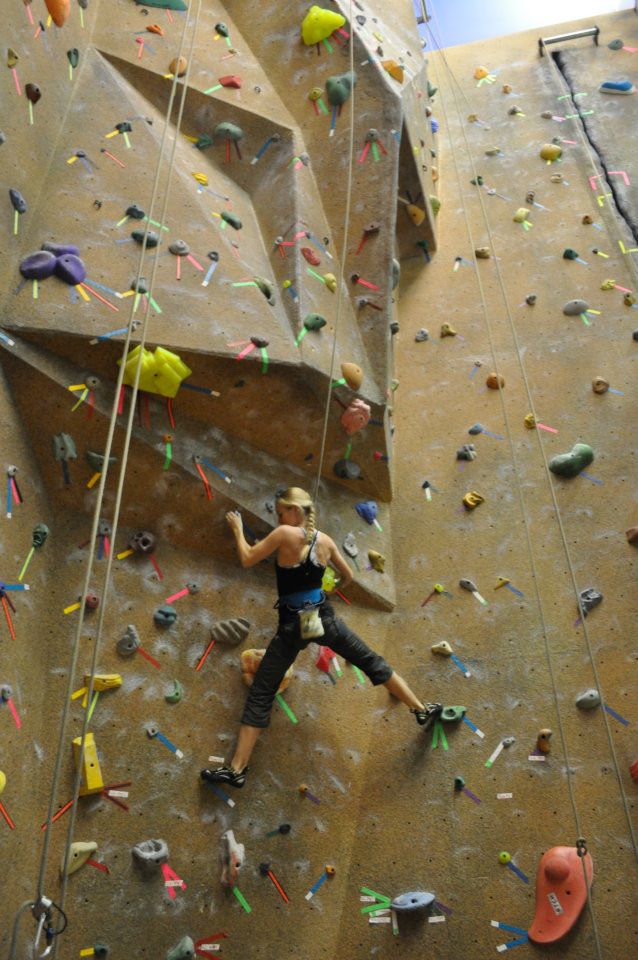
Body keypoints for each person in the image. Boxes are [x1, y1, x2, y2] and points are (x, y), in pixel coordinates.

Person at [200, 487, 429, 789]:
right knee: (369, 660)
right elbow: (347, 576)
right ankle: (421, 709)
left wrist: (238, 529)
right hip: (322, 618)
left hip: (292, 628)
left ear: (295, 511)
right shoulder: (326, 541)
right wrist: (329, 586)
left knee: (262, 692)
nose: (278, 517)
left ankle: (238, 768)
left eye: (281, 512)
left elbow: (247, 559)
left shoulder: (284, 534)